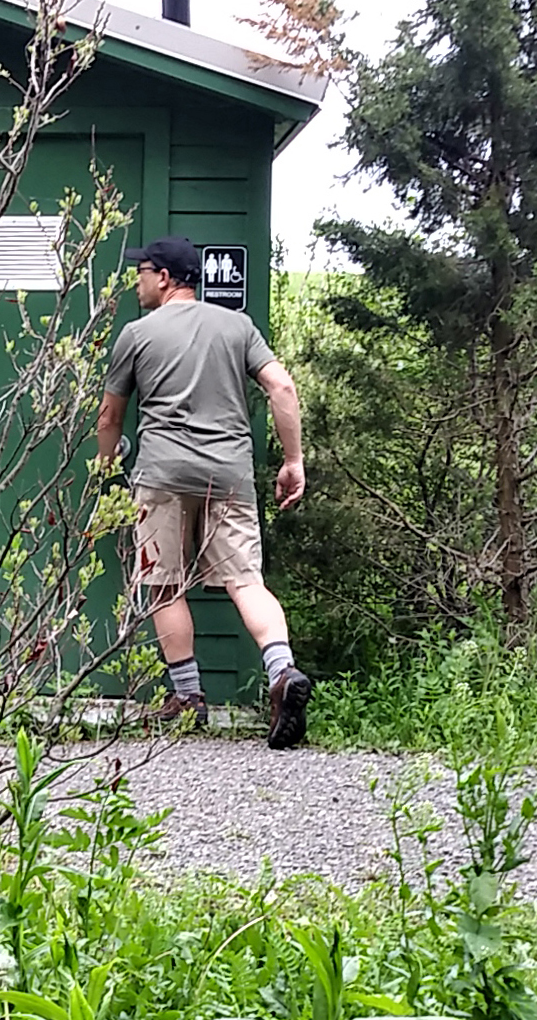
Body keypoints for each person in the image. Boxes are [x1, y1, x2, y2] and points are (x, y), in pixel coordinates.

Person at [95, 236, 312, 749]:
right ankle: (282, 672)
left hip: (162, 476)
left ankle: (188, 698)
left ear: (165, 277)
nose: (137, 280)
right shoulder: (238, 326)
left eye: (143, 271)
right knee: (244, 582)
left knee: (165, 584)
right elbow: (282, 388)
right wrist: (293, 461)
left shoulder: (136, 334)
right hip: (229, 475)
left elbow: (110, 416)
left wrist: (105, 467)